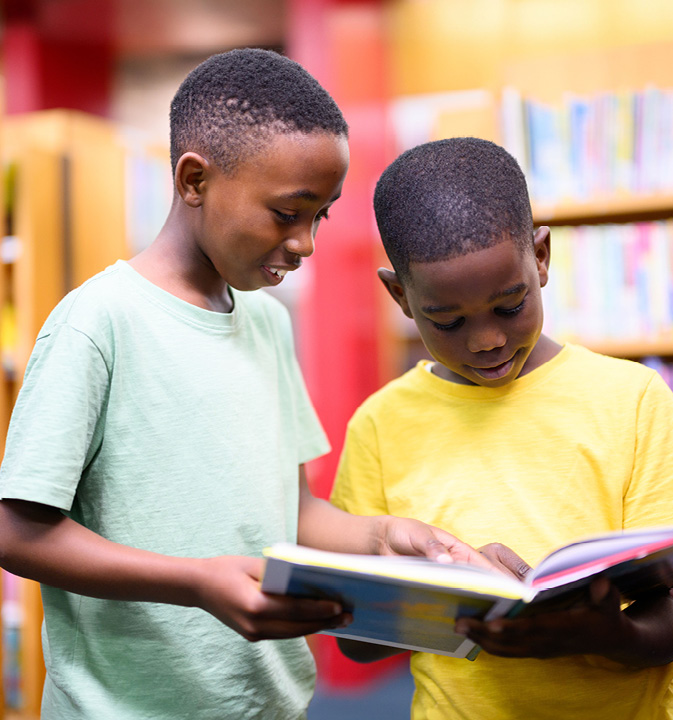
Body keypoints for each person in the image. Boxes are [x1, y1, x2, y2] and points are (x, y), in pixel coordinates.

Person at [0, 51, 488, 720]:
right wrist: (196, 584)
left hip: (268, 705)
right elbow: (17, 534)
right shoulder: (97, 322)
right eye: (288, 213)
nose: (307, 242)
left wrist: (384, 539)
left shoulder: (266, 322)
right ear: (194, 180)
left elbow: (292, 509)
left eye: (320, 216)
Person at [330, 136, 673, 720]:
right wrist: (438, 594)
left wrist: (592, 632)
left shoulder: (631, 400)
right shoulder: (380, 426)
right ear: (400, 297)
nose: (486, 339)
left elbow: (671, 627)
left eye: (509, 307)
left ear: (540, 258)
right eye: (449, 320)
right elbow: (356, 642)